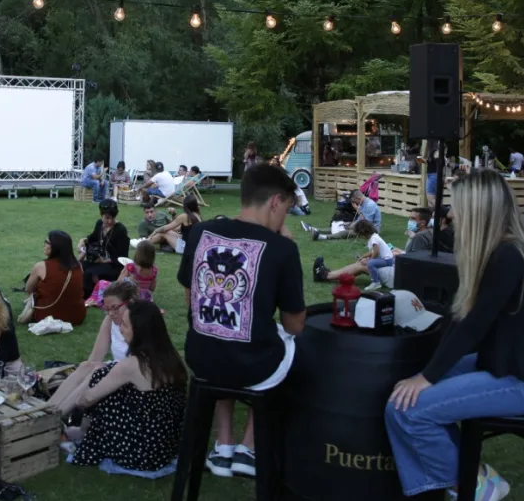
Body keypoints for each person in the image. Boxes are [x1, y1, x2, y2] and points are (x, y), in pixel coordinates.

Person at [384, 169, 524, 500]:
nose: (450, 214)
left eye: (455, 206)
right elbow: (461, 319)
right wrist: (428, 366)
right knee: (407, 395)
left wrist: (427, 377)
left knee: (405, 409)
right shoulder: (499, 253)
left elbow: (474, 326)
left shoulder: (508, 256)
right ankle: (460, 478)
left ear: (478, 210)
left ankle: (470, 483)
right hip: (503, 367)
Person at [178, 163, 306, 479]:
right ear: (276, 201)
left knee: (223, 335)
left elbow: (190, 302)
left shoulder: (199, 233)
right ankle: (248, 448)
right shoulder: (283, 249)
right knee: (275, 345)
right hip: (253, 366)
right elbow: (295, 325)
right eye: (287, 210)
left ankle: (223, 444)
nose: (284, 219)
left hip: (201, 357)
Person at [62, 301, 187, 473]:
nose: (120, 329)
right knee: (113, 384)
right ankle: (77, 430)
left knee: (100, 378)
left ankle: (75, 430)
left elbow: (88, 399)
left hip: (137, 453)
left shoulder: (132, 365)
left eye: (125, 325)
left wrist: (78, 405)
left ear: (140, 332)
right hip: (164, 448)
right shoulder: (173, 359)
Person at [49, 279, 139, 411]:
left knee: (97, 371)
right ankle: (48, 410)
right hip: (116, 367)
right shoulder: (110, 320)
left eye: (115, 308)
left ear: (129, 302)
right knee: (87, 365)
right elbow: (96, 356)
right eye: (107, 309)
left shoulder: (139, 322)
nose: (111, 314)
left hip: (132, 376)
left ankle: (58, 416)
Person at [26, 230, 86, 325]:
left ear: (55, 247)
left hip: (46, 315)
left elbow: (28, 289)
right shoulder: (79, 266)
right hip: (76, 316)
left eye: (47, 242)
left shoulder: (41, 266)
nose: (44, 245)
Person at [312, 219, 396, 286]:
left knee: (362, 265)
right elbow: (374, 251)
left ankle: (326, 276)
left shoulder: (374, 238)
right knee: (361, 262)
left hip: (393, 273)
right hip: (393, 265)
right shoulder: (375, 237)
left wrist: (368, 260)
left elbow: (376, 252)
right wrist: (364, 257)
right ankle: (329, 274)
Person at [79, 200, 131, 298]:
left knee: (89, 272)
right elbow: (92, 238)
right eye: (107, 218)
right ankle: (80, 290)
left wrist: (105, 261)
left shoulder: (120, 230)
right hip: (100, 259)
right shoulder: (99, 224)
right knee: (80, 266)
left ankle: (87, 296)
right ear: (101, 215)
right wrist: (82, 240)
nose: (110, 221)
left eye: (112, 218)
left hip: (114, 265)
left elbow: (122, 257)